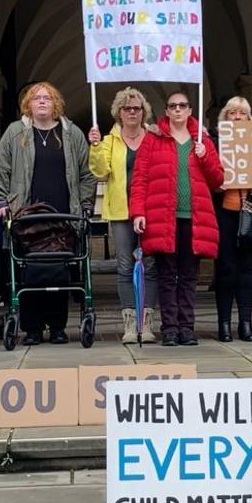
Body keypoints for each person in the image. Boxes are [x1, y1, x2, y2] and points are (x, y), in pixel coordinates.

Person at [0, 81, 97, 346]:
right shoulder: (16, 132)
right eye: (36, 98)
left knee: (58, 269)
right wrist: (2, 202)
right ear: (28, 103)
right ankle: (33, 328)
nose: (41, 102)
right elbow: (0, 168)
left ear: (55, 104)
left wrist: (85, 204)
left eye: (47, 98)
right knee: (31, 271)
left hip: (64, 214)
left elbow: (87, 173)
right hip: (27, 215)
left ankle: (58, 326)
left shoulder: (71, 134)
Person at [130, 92, 224, 346]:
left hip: (194, 218)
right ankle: (169, 328)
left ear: (190, 110)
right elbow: (140, 178)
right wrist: (138, 212)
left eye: (183, 105)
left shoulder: (202, 140)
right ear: (167, 111)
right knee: (166, 275)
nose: (178, 110)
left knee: (189, 275)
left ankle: (187, 327)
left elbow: (217, 180)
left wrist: (205, 156)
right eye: (173, 106)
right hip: (163, 216)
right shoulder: (153, 139)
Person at [89, 87, 158, 344]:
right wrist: (95, 146)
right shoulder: (109, 141)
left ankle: (147, 322)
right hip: (120, 211)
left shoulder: (153, 137)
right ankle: (130, 323)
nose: (132, 112)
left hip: (151, 210)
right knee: (125, 267)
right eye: (127, 108)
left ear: (144, 112)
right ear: (118, 112)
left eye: (137, 108)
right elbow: (99, 172)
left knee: (150, 266)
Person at [211, 97, 252, 342]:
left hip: (251, 211)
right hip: (224, 212)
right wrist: (217, 184)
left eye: (241, 113)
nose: (236, 117)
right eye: (232, 112)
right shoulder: (215, 144)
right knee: (225, 269)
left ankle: (246, 323)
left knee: (246, 269)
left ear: (249, 117)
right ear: (225, 117)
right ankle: (224, 323)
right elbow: (205, 176)